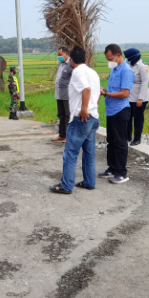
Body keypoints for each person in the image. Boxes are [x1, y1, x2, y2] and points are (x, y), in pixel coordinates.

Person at [50, 47, 101, 194]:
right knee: (89, 153)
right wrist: (92, 108)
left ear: (71, 59)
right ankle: (89, 182)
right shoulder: (93, 73)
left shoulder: (78, 71)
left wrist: (84, 109)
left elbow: (86, 89)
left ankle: (66, 186)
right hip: (93, 118)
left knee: (70, 154)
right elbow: (98, 92)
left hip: (81, 119)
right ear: (85, 58)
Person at [99, 44, 134, 184]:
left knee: (120, 143)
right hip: (111, 111)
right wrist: (105, 90)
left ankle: (121, 172)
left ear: (118, 55)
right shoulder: (114, 70)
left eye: (110, 58)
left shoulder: (126, 70)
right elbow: (114, 89)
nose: (109, 61)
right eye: (107, 59)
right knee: (111, 142)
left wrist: (107, 93)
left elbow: (125, 93)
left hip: (120, 110)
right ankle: (112, 168)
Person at [123, 48, 149, 146]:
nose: (127, 59)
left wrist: (140, 99)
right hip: (130, 97)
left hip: (140, 97)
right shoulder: (130, 65)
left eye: (128, 58)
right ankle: (128, 136)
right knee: (128, 117)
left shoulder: (143, 66)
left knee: (138, 118)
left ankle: (137, 138)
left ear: (133, 57)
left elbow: (144, 83)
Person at [53, 46, 74, 143]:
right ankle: (61, 134)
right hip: (59, 93)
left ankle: (68, 136)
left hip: (67, 94)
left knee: (68, 115)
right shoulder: (60, 64)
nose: (59, 57)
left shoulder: (71, 64)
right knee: (61, 114)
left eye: (60, 55)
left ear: (66, 54)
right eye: (58, 55)